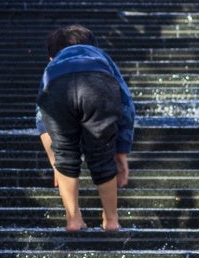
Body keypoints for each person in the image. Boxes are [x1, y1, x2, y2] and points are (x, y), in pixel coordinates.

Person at [35, 23, 134, 233]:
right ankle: (111, 219)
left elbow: (41, 116)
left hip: (58, 88)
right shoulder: (100, 57)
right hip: (97, 84)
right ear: (94, 46)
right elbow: (126, 103)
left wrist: (55, 162)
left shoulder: (53, 66)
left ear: (51, 56)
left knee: (66, 156)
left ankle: (73, 219)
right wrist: (122, 152)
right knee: (102, 155)